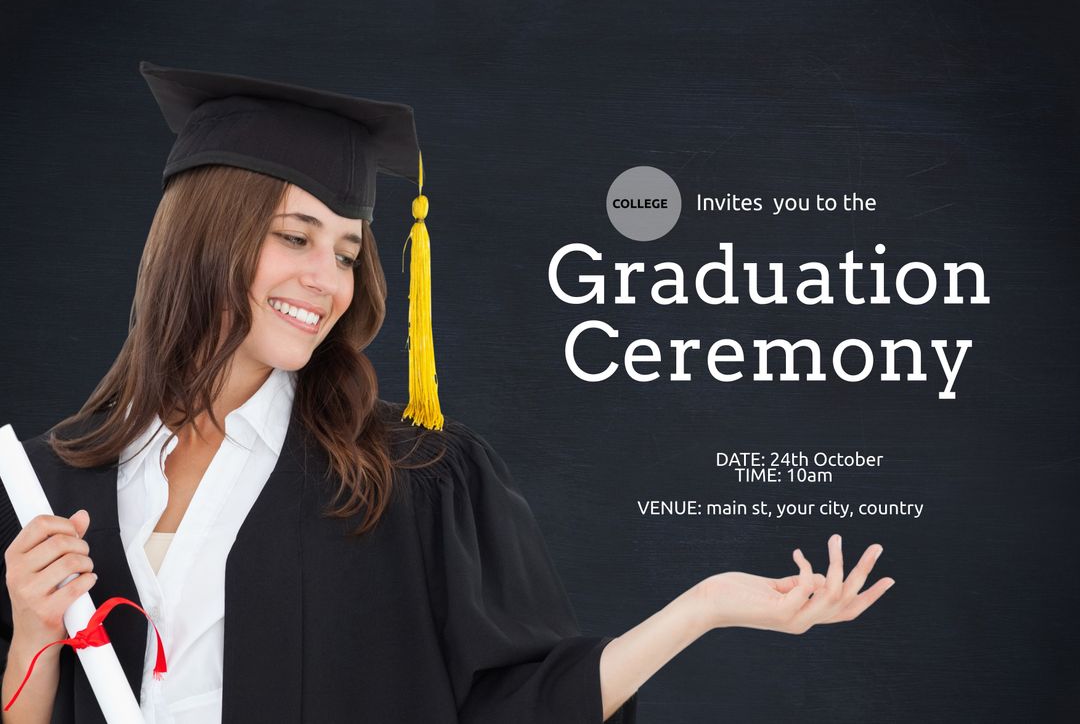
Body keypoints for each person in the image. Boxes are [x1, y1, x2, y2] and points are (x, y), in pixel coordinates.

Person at [0, 62, 894, 724]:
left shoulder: (404, 480)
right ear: (205, 238)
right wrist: (31, 628)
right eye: (295, 238)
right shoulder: (55, 484)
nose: (327, 279)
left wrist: (704, 609)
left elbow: (519, 705)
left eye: (347, 251)